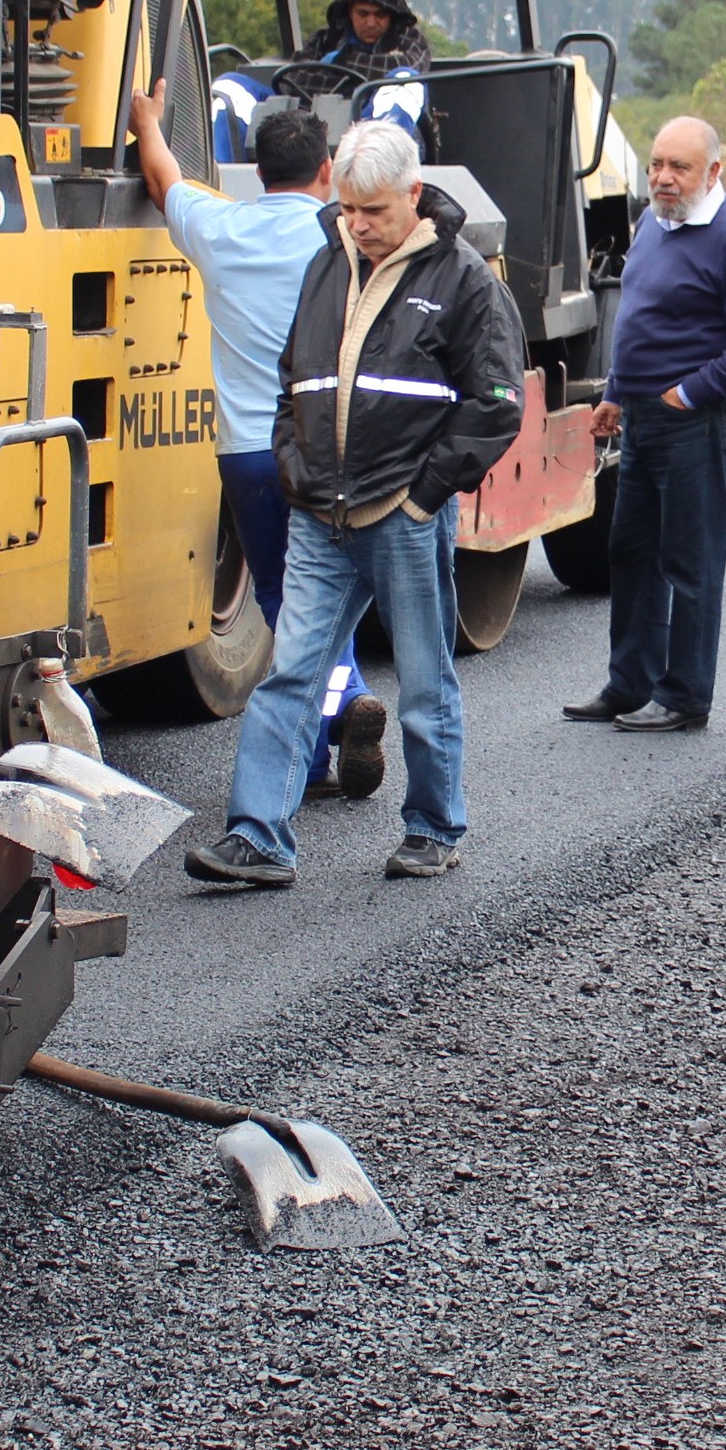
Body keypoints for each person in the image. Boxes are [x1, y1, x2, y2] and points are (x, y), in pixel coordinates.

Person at [182, 120, 523, 887]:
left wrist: (423, 495)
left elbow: (497, 401)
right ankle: (258, 838)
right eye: (348, 209)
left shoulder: (464, 279)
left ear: (414, 195)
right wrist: (293, 460)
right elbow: (292, 373)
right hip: (318, 515)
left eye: (374, 211)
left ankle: (434, 828)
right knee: (289, 675)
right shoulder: (325, 262)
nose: (359, 225)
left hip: (401, 517)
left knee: (425, 681)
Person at [126, 80, 387, 799]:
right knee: (328, 591)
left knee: (281, 599)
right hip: (327, 444)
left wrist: (149, 120)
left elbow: (161, 179)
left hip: (247, 451)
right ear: (327, 171)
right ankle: (344, 703)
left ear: (253, 165)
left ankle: (318, 744)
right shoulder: (343, 237)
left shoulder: (220, 229)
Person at [564, 115, 726, 734]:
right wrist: (618, 394)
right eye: (657, 164)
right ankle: (629, 683)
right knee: (630, 552)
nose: (663, 177)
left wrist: (691, 392)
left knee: (689, 560)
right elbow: (641, 321)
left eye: (678, 167)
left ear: (713, 171)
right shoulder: (653, 224)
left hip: (698, 418)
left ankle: (685, 695)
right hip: (644, 415)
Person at [299, 0, 432, 78]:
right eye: (363, 13)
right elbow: (296, 76)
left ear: (393, 15)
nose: (371, 23)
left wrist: (340, 62)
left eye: (380, 15)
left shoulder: (411, 40)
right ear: (349, 11)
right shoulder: (324, 40)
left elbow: (407, 69)